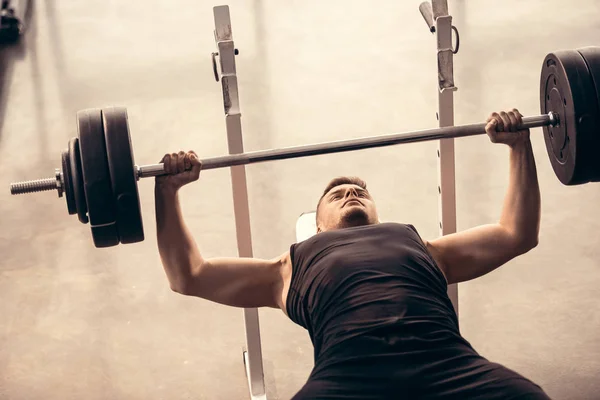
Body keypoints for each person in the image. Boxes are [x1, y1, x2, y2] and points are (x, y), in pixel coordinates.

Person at [154, 109, 551, 399]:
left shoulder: (421, 246)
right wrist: (167, 192)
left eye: (360, 192)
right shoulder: (288, 267)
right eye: (336, 194)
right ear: (318, 226)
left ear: (377, 214)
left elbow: (516, 233)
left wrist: (519, 146)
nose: (351, 194)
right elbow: (188, 274)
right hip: (347, 381)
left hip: (450, 368)